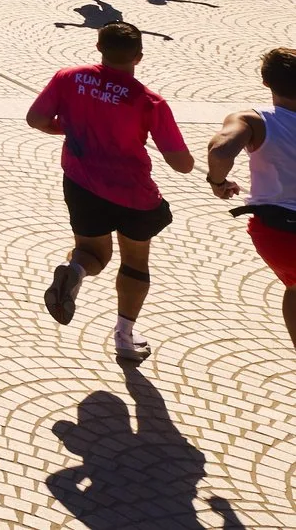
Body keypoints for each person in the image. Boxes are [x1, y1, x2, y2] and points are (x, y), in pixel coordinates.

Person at [30, 20, 195, 365]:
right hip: (133, 193)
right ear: (139, 56)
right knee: (134, 261)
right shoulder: (149, 101)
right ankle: (124, 337)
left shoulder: (69, 77)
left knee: (93, 253)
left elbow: (37, 119)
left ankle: (75, 270)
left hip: (81, 184)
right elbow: (181, 164)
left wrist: (68, 128)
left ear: (98, 47)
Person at [204, 46, 296, 352]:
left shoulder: (254, 120)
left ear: (266, 81)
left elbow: (220, 151)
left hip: (276, 236)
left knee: (294, 288)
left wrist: (218, 182)